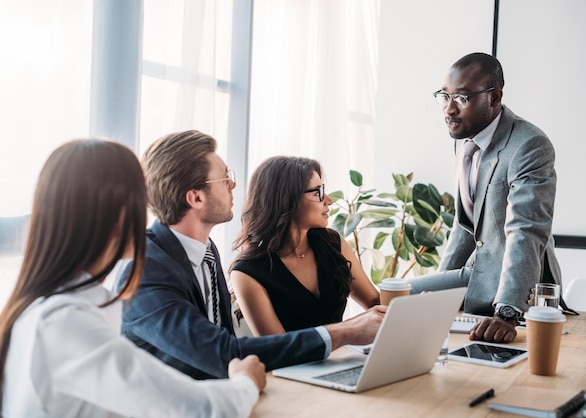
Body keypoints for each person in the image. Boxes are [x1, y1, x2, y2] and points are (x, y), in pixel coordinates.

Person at [0, 139, 266, 417]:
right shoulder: (64, 322)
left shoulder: (56, 306)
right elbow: (198, 409)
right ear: (114, 214)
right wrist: (245, 381)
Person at [119, 130, 386, 380]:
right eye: (225, 178)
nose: (234, 184)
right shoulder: (145, 271)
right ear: (196, 198)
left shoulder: (206, 252)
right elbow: (222, 353)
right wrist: (347, 331)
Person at [407, 52, 565, 344]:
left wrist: (508, 312)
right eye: (444, 96)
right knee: (398, 296)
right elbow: (465, 225)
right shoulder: (465, 141)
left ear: (494, 97)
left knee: (400, 299)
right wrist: (440, 293)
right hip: (474, 274)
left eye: (462, 99)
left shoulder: (529, 145)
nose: (449, 109)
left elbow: (526, 230)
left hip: (513, 285)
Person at [230, 156, 380, 335]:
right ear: (286, 200)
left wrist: (413, 306)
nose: (329, 200)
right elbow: (280, 348)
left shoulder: (332, 243)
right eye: (318, 192)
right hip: (295, 364)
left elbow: (375, 302)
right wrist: (353, 327)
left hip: (343, 359)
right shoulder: (247, 272)